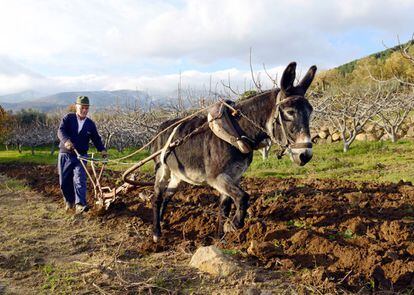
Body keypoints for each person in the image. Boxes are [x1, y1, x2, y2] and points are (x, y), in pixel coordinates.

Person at [57, 96, 108, 214]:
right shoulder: (68, 118)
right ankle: (69, 201)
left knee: (80, 179)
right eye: (82, 107)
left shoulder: (90, 124)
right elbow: (61, 131)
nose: (84, 110)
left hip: (81, 155)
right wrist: (66, 141)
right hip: (66, 154)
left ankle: (80, 204)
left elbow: (96, 139)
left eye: (86, 108)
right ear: (76, 107)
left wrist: (102, 150)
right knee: (64, 182)